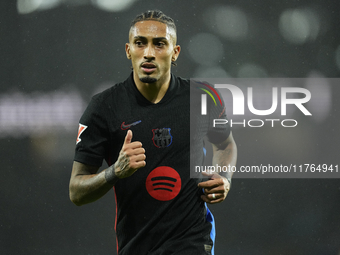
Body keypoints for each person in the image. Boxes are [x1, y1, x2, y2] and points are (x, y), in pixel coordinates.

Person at [69, 10, 237, 255]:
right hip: (137, 245)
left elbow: (225, 144)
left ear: (175, 52)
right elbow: (76, 191)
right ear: (129, 51)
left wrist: (225, 178)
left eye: (159, 44)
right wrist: (114, 172)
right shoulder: (104, 107)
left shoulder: (204, 97)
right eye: (140, 43)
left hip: (192, 242)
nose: (148, 53)